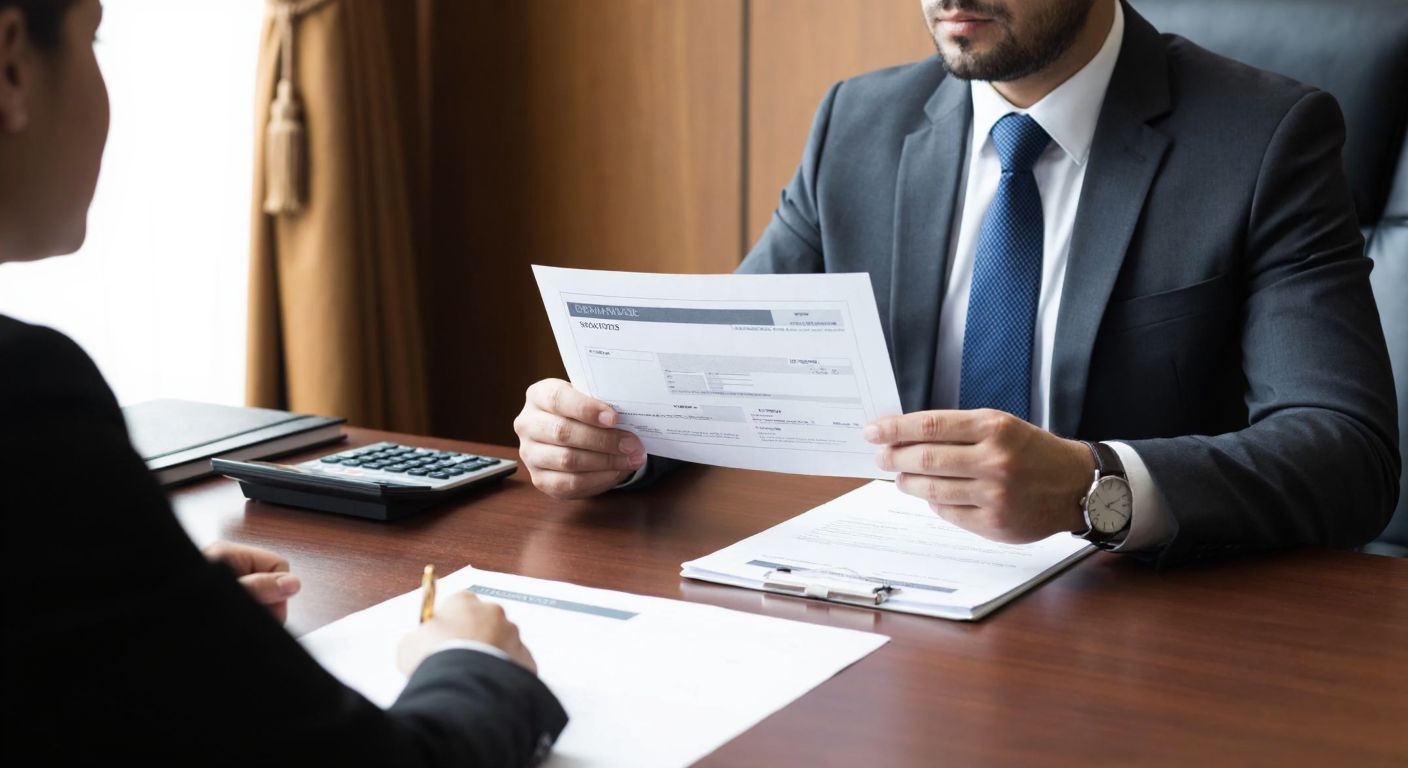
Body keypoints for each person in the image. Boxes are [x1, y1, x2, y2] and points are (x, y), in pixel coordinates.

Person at [514, 0, 1400, 566]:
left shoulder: (1264, 137)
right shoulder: (857, 123)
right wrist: (613, 436)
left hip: (1141, 632)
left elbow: (1346, 453)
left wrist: (1095, 486)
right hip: (889, 608)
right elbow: (729, 372)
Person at [0, 1, 566, 764]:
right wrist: (475, 663)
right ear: (10, 64)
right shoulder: (27, 397)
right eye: (91, 34)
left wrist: (140, 604)